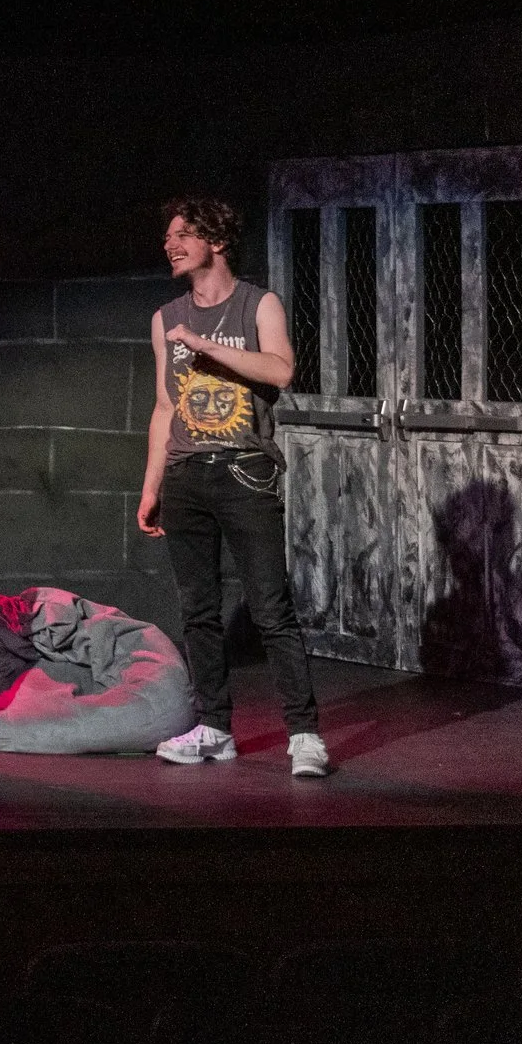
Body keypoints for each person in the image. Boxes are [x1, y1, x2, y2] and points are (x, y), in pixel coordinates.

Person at [138, 197, 329, 779]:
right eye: (167, 236)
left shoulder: (257, 303)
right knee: (198, 610)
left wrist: (206, 347)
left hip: (246, 469)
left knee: (271, 608)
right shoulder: (165, 317)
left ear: (215, 240)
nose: (170, 244)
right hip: (186, 474)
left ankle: (304, 735)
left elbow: (281, 370)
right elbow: (165, 406)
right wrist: (151, 487)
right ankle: (214, 727)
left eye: (183, 234)